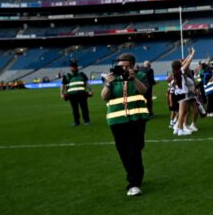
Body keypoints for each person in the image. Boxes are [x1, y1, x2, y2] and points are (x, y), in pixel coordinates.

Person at [100, 52, 151, 196]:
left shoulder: (140, 76)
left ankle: (134, 182)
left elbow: (144, 91)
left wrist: (133, 78)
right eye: (120, 66)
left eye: (125, 66)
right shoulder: (112, 78)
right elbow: (104, 97)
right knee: (124, 151)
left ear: (132, 66)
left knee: (135, 149)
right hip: (116, 120)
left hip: (137, 118)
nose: (122, 68)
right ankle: (135, 177)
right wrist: (108, 84)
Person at [61, 60, 91, 126]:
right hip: (72, 95)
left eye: (75, 67)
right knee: (75, 109)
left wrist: (91, 90)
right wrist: (61, 93)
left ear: (77, 67)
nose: (74, 68)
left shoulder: (82, 74)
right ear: (70, 68)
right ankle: (76, 122)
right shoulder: (67, 76)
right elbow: (63, 85)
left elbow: (86, 83)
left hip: (82, 94)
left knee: (84, 108)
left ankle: (87, 121)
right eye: (73, 67)